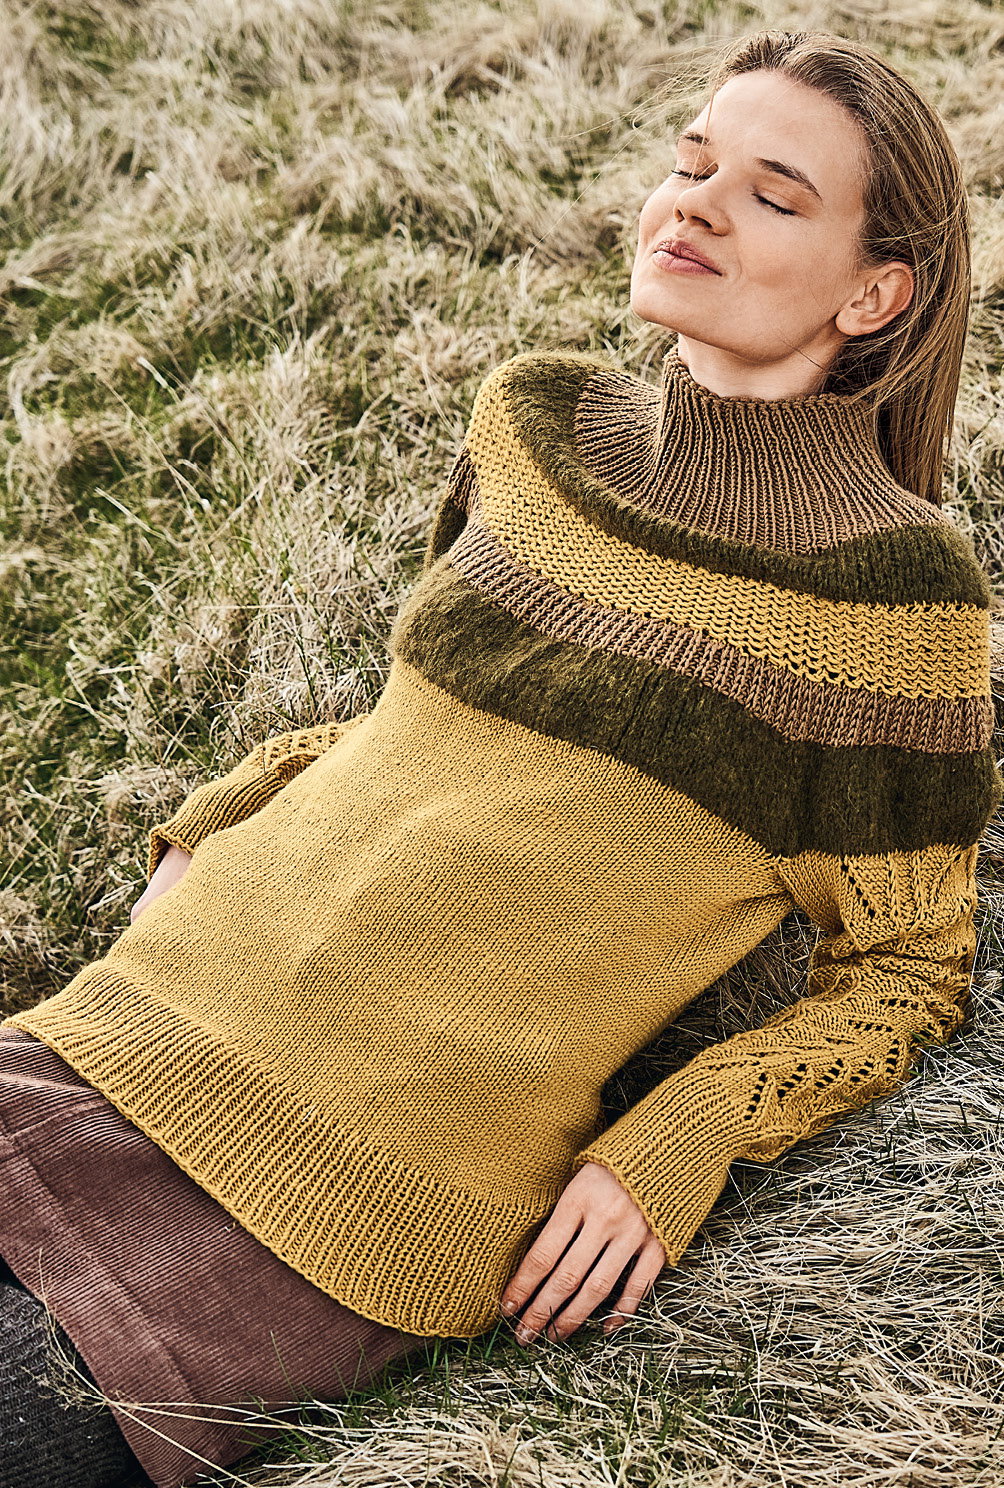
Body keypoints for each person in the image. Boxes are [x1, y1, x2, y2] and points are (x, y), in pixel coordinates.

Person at [2, 26, 1000, 1488]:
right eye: (692, 163)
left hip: (350, 1192)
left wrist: (681, 1139)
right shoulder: (536, 421)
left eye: (771, 194)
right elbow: (425, 724)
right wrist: (214, 829)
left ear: (875, 292)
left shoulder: (894, 602)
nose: (697, 203)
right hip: (129, 1021)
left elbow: (907, 971)